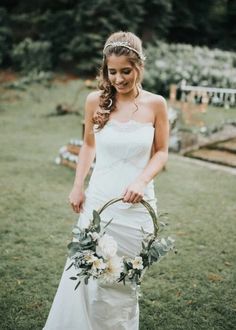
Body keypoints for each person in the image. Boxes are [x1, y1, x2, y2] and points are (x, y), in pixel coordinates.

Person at [43, 31, 169, 330]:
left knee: (123, 279)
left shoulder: (156, 104)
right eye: (112, 71)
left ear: (140, 65)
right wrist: (77, 185)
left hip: (137, 207)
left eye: (126, 71)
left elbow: (161, 152)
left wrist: (141, 181)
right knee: (88, 276)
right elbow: (88, 146)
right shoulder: (95, 101)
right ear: (105, 69)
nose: (119, 79)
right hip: (100, 200)